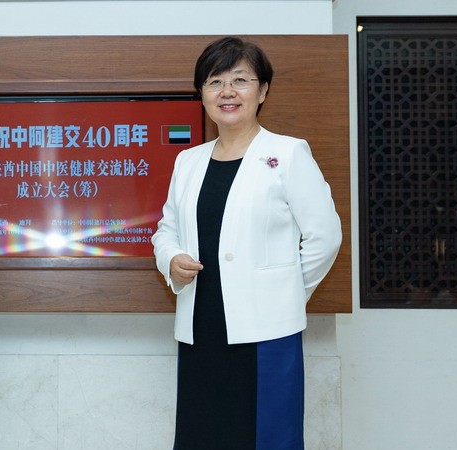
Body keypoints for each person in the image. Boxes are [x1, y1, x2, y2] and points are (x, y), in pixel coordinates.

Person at [151, 36, 342, 450]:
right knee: (203, 436)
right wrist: (172, 259)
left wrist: (285, 291)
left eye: (240, 80)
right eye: (215, 81)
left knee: (268, 436)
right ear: (202, 93)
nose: (228, 92)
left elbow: (325, 236)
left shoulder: (288, 153)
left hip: (266, 329)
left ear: (263, 91)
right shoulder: (189, 161)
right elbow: (166, 229)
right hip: (201, 326)